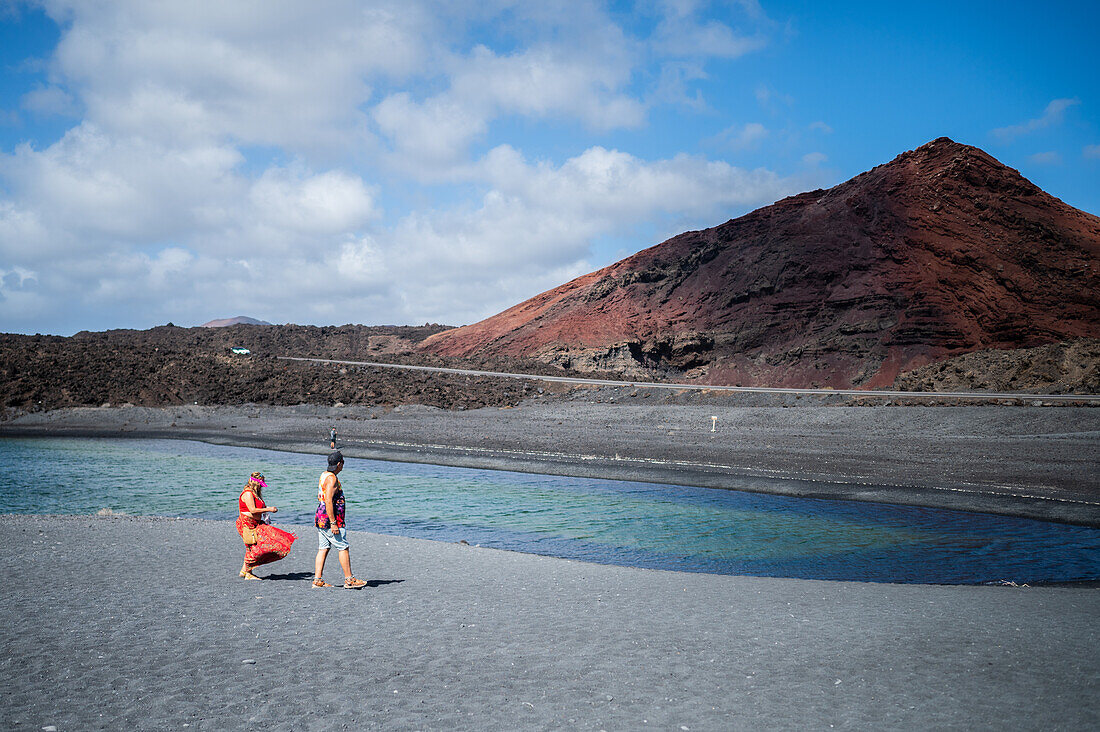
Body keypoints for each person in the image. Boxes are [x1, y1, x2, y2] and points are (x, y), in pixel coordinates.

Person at [313, 451, 367, 589]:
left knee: (323, 547)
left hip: (320, 517)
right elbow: (329, 501)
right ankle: (349, 580)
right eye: (343, 462)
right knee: (343, 547)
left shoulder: (324, 475)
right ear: (339, 464)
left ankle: (317, 580)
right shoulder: (332, 479)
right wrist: (333, 523)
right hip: (330, 519)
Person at [236, 472, 297, 580]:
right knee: (255, 547)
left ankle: (244, 571)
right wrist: (269, 509)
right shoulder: (248, 493)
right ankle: (248, 573)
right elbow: (252, 510)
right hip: (247, 524)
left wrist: (267, 509)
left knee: (254, 546)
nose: (261, 486)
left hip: (256, 523)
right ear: (256, 483)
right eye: (261, 483)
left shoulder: (255, 493)